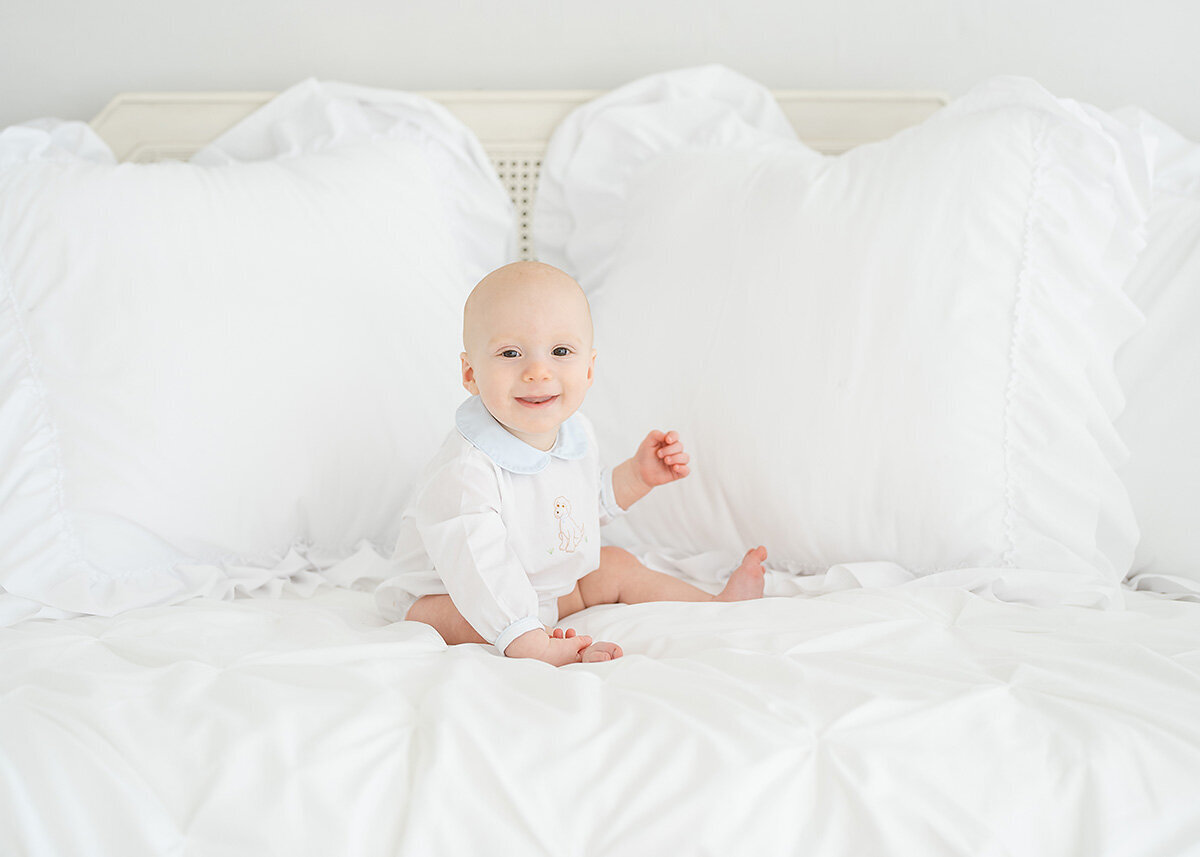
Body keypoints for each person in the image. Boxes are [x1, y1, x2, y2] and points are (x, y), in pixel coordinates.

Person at [377, 261, 767, 665]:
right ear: (471, 374)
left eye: (560, 352)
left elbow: (567, 513)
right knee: (463, 618)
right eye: (511, 353)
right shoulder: (465, 471)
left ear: (589, 368)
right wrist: (529, 640)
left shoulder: (573, 434)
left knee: (616, 566)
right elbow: (480, 567)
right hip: (450, 593)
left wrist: (636, 476)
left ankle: (717, 603)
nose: (537, 372)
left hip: (540, 590)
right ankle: (534, 641)